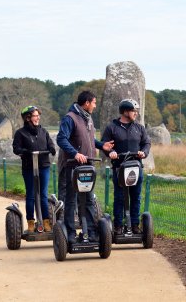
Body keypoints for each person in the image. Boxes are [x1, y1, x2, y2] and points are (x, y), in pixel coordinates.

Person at [56, 90, 114, 244]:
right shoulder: (70, 118)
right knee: (72, 200)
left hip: (87, 166)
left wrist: (102, 146)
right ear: (86, 103)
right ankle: (70, 234)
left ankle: (91, 234)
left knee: (88, 199)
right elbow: (61, 139)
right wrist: (75, 154)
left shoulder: (87, 118)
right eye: (94, 103)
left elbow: (89, 138)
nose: (95, 106)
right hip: (73, 166)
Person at [101, 98, 151, 235]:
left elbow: (146, 143)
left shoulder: (139, 128)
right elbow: (104, 144)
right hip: (119, 168)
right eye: (133, 111)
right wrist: (110, 152)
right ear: (125, 111)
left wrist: (144, 152)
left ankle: (134, 224)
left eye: (136, 111)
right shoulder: (112, 127)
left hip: (136, 167)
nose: (136, 114)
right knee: (120, 197)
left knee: (136, 197)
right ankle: (118, 225)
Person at [12, 105, 56, 233]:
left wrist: (52, 148)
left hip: (44, 166)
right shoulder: (20, 133)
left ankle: (46, 222)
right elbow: (16, 148)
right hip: (29, 167)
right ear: (28, 118)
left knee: (43, 195)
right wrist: (26, 152)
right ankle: (31, 223)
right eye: (35, 116)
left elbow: (50, 143)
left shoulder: (43, 131)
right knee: (30, 195)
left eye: (38, 115)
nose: (38, 118)